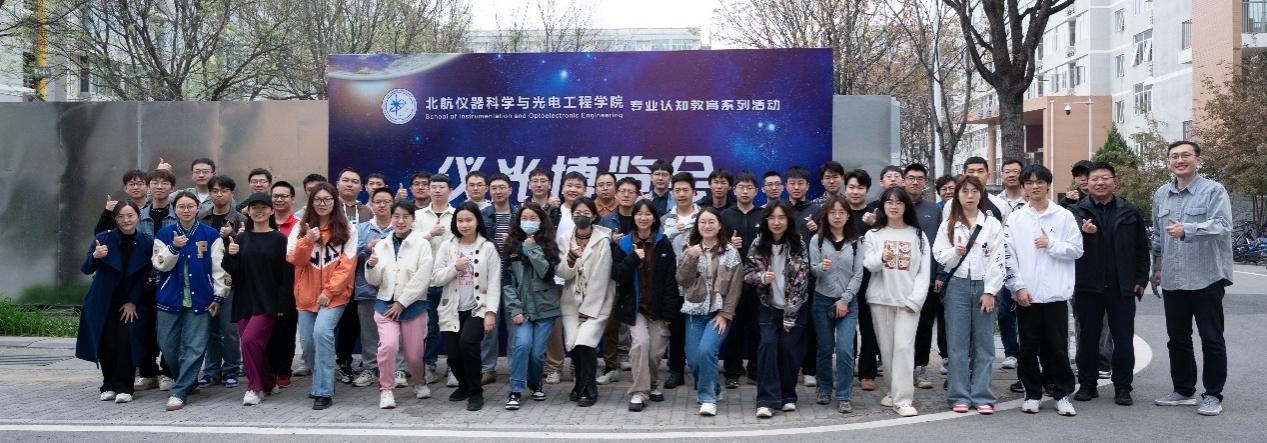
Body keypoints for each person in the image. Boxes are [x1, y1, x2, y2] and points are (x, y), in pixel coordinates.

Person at [1150, 140, 1233, 416]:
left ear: (1198, 160)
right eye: (1174, 156)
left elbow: (1222, 226)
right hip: (1173, 279)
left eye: (1186, 155)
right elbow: (1158, 235)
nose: (1180, 160)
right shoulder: (1161, 194)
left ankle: (1213, 395)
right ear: (1168, 163)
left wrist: (1188, 229)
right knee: (1177, 339)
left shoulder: (1213, 190)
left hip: (1206, 277)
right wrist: (1156, 268)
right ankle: (1183, 390)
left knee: (1211, 339)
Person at [1002, 164, 1083, 417]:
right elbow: (1008, 256)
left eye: (1039, 182)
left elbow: (1077, 249)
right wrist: (1018, 287)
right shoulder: (1016, 218)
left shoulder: (1063, 216)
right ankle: (1032, 393)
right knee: (1028, 347)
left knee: (1057, 347)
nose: (1034, 186)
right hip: (1028, 295)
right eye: (1029, 183)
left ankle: (1062, 394)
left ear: (1048, 184)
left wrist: (1051, 244)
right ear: (1023, 187)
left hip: (1056, 294)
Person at [1070, 162, 1150, 406]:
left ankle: (1123, 386)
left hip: (1122, 287)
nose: (1100, 182)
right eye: (1095, 178)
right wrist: (1084, 233)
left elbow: (1141, 248)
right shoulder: (1076, 211)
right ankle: (1087, 383)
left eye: (1105, 178)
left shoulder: (1130, 211)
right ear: (1087, 183)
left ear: (1114, 182)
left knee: (1123, 339)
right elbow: (1068, 246)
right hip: (1087, 286)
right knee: (1088, 338)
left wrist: (1140, 279)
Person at [151, 191, 231, 411]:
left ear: (198, 208)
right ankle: (188, 380)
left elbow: (220, 268)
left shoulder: (210, 234)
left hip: (202, 299)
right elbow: (159, 264)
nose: (186, 210)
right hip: (169, 298)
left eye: (190, 206)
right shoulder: (164, 234)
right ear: (174, 210)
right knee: (167, 346)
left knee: (194, 347)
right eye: (181, 207)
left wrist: (219, 295)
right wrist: (174, 247)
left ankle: (179, 391)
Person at [932, 175, 1006, 414]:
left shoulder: (992, 224)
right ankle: (959, 395)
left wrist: (990, 291)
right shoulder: (949, 224)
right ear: (957, 195)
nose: (970, 196)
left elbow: (998, 260)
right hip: (958, 286)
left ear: (981, 194)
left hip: (984, 285)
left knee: (985, 344)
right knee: (957, 344)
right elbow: (939, 254)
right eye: (964, 191)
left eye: (975, 191)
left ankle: (983, 395)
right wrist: (955, 251)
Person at [286, 182, 358, 410]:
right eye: (318, 199)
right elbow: (295, 260)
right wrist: (307, 241)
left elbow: (348, 265)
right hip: (306, 294)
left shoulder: (347, 228)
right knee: (308, 344)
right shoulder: (299, 228)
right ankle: (323, 378)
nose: (322, 203)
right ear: (311, 202)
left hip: (334, 294)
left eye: (327, 199)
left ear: (335, 202)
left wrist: (329, 291)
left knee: (322, 333)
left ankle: (323, 390)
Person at [861, 187, 931, 417]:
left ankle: (903, 399)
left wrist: (916, 299)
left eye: (899, 202)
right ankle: (893, 391)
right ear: (882, 206)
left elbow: (924, 272)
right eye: (889, 202)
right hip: (880, 300)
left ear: (905, 206)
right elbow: (869, 265)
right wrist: (882, 257)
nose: (894, 206)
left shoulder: (918, 235)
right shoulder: (873, 235)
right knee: (887, 350)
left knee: (903, 348)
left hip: (908, 302)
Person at [77, 201, 154, 405]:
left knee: (126, 343)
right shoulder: (103, 239)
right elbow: (85, 268)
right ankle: (108, 385)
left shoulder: (147, 242)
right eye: (121, 216)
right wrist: (95, 256)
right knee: (107, 343)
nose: (126, 220)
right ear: (115, 219)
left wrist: (133, 301)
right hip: (102, 301)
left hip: (130, 302)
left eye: (130, 215)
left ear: (138, 217)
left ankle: (125, 387)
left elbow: (145, 276)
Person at [222, 192, 292, 406]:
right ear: (248, 212)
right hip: (245, 300)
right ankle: (268, 381)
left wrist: (282, 304)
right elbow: (233, 274)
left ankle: (254, 387)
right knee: (252, 345)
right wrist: (231, 254)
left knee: (250, 341)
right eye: (255, 207)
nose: (259, 211)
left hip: (269, 302)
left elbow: (286, 275)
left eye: (264, 207)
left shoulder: (280, 239)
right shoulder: (241, 238)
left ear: (271, 211)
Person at [365, 201, 436, 409]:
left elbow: (422, 278)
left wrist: (402, 303)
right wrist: (371, 267)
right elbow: (375, 281)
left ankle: (419, 381)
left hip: (413, 307)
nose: (400, 221)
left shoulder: (422, 244)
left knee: (414, 354)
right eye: (396, 216)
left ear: (413, 219)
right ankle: (386, 389)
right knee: (388, 346)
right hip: (385, 306)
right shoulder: (381, 245)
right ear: (391, 218)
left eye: (406, 216)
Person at [612, 200, 681, 412]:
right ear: (633, 217)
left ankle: (652, 384)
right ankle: (639, 392)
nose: (643, 217)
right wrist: (633, 259)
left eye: (648, 214)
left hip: (658, 308)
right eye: (639, 214)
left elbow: (671, 280)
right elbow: (617, 275)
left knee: (654, 352)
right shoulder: (624, 243)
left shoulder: (663, 242)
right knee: (640, 344)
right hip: (635, 307)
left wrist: (669, 312)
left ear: (654, 218)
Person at [432, 202, 501, 411]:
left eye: (469, 220)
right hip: (451, 308)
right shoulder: (447, 246)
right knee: (453, 355)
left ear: (477, 221)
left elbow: (494, 283)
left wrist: (490, 313)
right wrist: (455, 267)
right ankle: (463, 386)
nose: (464, 225)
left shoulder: (488, 247)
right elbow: (436, 277)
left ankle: (475, 392)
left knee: (468, 344)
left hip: (477, 308)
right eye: (460, 220)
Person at [745, 201, 810, 418]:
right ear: (766, 221)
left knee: (789, 350)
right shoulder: (758, 243)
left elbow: (802, 281)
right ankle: (765, 400)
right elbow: (747, 273)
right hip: (768, 306)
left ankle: (787, 395)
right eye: (772, 218)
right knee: (768, 345)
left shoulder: (798, 244)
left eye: (781, 217)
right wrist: (762, 277)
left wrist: (790, 315)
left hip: (794, 306)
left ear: (788, 220)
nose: (776, 222)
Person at [676, 207, 744, 416]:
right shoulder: (690, 248)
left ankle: (707, 398)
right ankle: (713, 387)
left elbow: (735, 287)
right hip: (694, 311)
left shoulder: (731, 252)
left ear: (720, 225)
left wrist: (725, 315)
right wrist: (691, 257)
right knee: (693, 359)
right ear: (697, 225)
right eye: (702, 222)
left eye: (711, 221)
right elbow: (682, 280)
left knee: (706, 351)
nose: (707, 226)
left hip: (718, 313)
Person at [500, 203, 562, 410]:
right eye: (524, 218)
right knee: (522, 345)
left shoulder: (550, 246)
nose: (528, 222)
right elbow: (507, 282)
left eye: (533, 218)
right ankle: (515, 390)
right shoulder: (511, 246)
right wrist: (515, 309)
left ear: (541, 221)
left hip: (545, 308)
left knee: (537, 353)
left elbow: (546, 273)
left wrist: (532, 249)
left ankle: (535, 384)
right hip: (522, 308)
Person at [807, 195, 865, 413]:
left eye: (842, 212)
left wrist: (845, 300)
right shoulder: (817, 240)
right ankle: (824, 388)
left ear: (848, 216)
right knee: (824, 348)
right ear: (826, 215)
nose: (837, 216)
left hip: (848, 302)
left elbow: (858, 274)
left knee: (845, 349)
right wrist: (821, 267)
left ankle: (844, 395)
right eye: (833, 212)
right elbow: (813, 270)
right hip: (822, 299)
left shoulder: (856, 242)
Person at [555, 197, 614, 407]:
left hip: (596, 302)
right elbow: (562, 273)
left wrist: (587, 309)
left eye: (586, 213)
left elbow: (601, 277)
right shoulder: (564, 239)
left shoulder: (603, 240)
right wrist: (571, 258)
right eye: (577, 213)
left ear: (594, 216)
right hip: (570, 302)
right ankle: (580, 383)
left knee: (586, 342)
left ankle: (589, 389)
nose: (582, 216)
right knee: (573, 344)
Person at [351, 187, 407, 389]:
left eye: (386, 201)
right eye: (378, 202)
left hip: (395, 289)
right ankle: (370, 368)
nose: (382, 205)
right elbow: (350, 255)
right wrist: (366, 248)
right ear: (371, 205)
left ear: (393, 204)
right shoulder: (361, 229)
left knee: (397, 331)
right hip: (367, 289)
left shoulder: (401, 227)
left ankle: (399, 369)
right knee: (369, 333)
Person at [198, 176, 246, 389]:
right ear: (209, 194)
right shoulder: (202, 218)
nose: (219, 194)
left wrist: (231, 234)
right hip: (206, 281)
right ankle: (211, 371)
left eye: (224, 190)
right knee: (210, 330)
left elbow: (247, 248)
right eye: (215, 191)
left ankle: (232, 369)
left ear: (232, 193)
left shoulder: (241, 218)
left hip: (231, 281)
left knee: (229, 330)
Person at [596, 177, 641, 386]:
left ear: (637, 195)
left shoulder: (643, 218)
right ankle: (610, 367)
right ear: (616, 194)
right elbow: (597, 250)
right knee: (611, 326)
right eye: (622, 191)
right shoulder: (606, 221)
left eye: (630, 192)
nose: (626, 195)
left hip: (638, 278)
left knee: (638, 326)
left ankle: (641, 370)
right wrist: (610, 241)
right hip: (612, 278)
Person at [904, 164, 946, 390]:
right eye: (911, 178)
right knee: (902, 325)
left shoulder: (934, 210)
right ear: (904, 180)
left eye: (919, 178)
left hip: (927, 279)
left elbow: (940, 245)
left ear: (925, 183)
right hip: (900, 279)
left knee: (924, 325)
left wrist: (939, 274)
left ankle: (920, 367)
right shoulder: (895, 205)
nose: (915, 182)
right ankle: (901, 368)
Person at [720, 171, 763, 387]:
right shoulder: (725, 215)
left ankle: (756, 370)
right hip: (733, 280)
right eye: (741, 187)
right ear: (734, 190)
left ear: (756, 191)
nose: (745, 191)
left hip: (758, 281)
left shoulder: (764, 215)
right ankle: (732, 372)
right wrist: (729, 244)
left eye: (749, 188)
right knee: (733, 328)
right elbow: (716, 245)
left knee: (757, 327)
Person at [414, 173, 456, 384]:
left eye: (442, 187)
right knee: (428, 328)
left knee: (452, 326)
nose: (437, 190)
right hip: (426, 282)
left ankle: (454, 367)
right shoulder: (419, 216)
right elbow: (410, 241)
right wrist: (430, 233)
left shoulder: (457, 215)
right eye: (434, 187)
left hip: (450, 280)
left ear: (450, 190)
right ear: (429, 190)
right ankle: (429, 366)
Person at [659, 172, 699, 389]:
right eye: (677, 190)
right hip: (672, 283)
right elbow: (658, 247)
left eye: (686, 190)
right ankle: (676, 371)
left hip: (698, 282)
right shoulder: (665, 219)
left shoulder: (703, 217)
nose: (681, 194)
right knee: (676, 330)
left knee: (697, 327)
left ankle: (699, 371)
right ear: (672, 193)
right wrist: (671, 232)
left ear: (694, 192)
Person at [843, 169, 881, 392]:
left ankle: (867, 372)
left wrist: (875, 224)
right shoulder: (839, 212)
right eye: (851, 187)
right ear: (845, 188)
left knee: (868, 326)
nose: (855, 192)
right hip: (844, 279)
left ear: (867, 190)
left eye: (860, 187)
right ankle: (847, 368)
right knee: (846, 327)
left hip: (869, 278)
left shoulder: (875, 215)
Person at [480, 173, 519, 385]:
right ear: (489, 191)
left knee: (515, 328)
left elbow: (531, 243)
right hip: (489, 280)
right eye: (494, 188)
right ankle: (487, 369)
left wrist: (513, 243)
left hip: (514, 279)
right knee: (489, 328)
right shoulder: (483, 215)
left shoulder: (520, 214)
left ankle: (515, 369)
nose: (498, 191)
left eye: (502, 187)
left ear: (510, 190)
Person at [784, 166, 819, 387]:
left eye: (800, 183)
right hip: (785, 279)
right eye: (792, 183)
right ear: (786, 185)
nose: (796, 187)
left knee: (811, 327)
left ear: (807, 186)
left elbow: (830, 240)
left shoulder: (817, 210)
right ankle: (788, 367)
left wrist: (818, 230)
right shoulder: (779, 209)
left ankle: (810, 369)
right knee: (787, 326)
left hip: (812, 279)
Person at [267, 181, 300, 387]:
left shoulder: (299, 225)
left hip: (291, 282)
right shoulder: (263, 221)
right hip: (265, 282)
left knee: (286, 328)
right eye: (276, 196)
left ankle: (283, 370)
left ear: (292, 199)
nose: (279, 199)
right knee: (266, 327)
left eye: (284, 196)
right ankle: (268, 369)